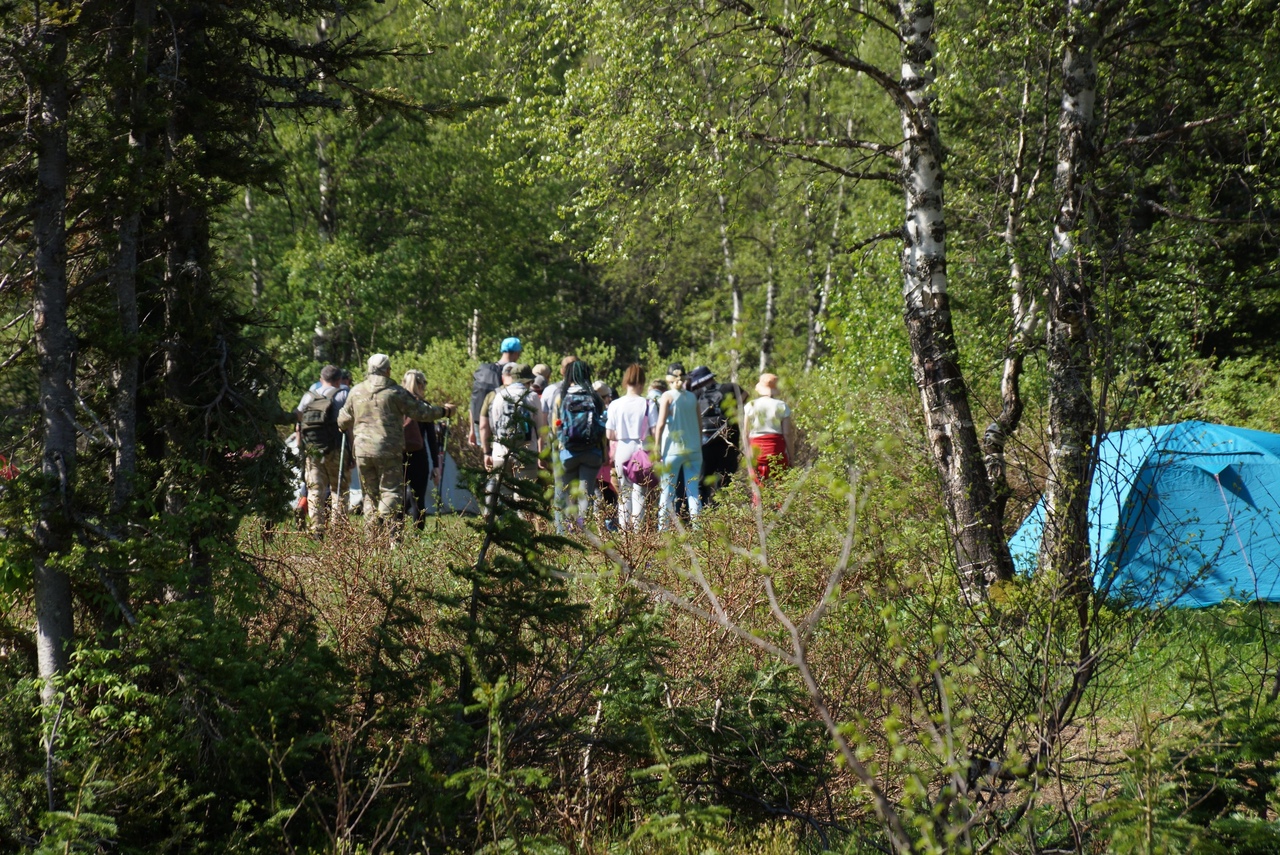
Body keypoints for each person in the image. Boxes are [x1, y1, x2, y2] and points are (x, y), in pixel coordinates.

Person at [338, 353, 455, 528]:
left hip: (362, 451)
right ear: (388, 371)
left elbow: (342, 420)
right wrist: (444, 412)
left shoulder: (356, 391)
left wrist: (344, 425)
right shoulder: (395, 392)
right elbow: (422, 412)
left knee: (369, 494)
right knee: (391, 490)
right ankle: (388, 530)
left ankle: (372, 537)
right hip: (388, 450)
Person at [479, 362, 545, 513]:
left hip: (501, 453)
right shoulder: (532, 396)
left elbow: (494, 425)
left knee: (504, 497)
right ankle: (524, 532)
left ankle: (507, 531)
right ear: (529, 381)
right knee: (524, 498)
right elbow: (540, 428)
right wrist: (541, 453)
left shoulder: (499, 395)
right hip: (526, 452)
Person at [295, 364, 349, 534]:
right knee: (338, 489)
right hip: (336, 449)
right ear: (339, 380)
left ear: (321, 379)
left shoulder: (308, 397)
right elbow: (349, 426)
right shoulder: (344, 394)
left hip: (312, 450)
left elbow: (298, 424)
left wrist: (300, 448)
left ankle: (317, 529)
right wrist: (352, 452)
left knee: (315, 490)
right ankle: (338, 530)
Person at [553, 360, 607, 530]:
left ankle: (564, 533)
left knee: (565, 494)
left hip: (568, 452)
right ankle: (583, 533)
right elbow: (602, 427)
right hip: (592, 452)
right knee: (586, 495)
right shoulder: (595, 397)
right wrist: (605, 452)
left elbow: (555, 427)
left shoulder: (561, 397)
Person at [654, 363, 703, 530]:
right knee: (693, 492)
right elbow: (699, 423)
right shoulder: (692, 397)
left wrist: (656, 447)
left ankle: (663, 530)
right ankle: (698, 529)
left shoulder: (667, 396)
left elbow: (660, 424)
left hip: (673, 449)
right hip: (694, 449)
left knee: (667, 491)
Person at [607, 364, 654, 531]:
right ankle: (637, 532)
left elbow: (609, 434)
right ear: (642, 381)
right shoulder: (648, 404)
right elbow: (654, 431)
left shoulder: (615, 404)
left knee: (623, 493)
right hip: (642, 449)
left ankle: (624, 531)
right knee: (639, 492)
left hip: (622, 448)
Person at [687, 365, 736, 506]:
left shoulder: (696, 394)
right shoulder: (729, 388)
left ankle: (702, 514)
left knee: (702, 482)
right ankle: (720, 513)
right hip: (727, 444)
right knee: (724, 482)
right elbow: (743, 398)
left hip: (704, 444)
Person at [744, 372, 795, 490]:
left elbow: (745, 433)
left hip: (756, 449)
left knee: (758, 488)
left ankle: (758, 508)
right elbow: (787, 433)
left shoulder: (750, 405)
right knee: (781, 486)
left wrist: (747, 454)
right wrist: (791, 457)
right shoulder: (781, 406)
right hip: (776, 448)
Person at [469, 336, 522, 447]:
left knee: (487, 457)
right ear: (516, 353)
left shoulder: (484, 370)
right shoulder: (512, 373)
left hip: (479, 424)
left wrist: (472, 430)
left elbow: (473, 401)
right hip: (501, 425)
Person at [401, 369, 436, 529]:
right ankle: (418, 535)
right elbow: (431, 438)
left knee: (397, 497)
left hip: (398, 455)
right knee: (418, 498)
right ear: (421, 385)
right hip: (419, 456)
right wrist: (436, 464)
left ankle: (395, 534)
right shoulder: (424, 407)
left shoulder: (398, 405)